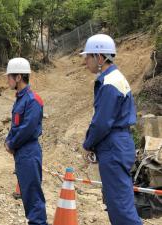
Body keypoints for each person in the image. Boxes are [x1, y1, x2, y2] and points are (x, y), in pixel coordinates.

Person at [81, 34, 142, 225]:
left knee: (121, 209)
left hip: (113, 146)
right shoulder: (114, 78)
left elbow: (102, 122)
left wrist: (88, 144)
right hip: (117, 144)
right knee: (117, 203)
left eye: (88, 56)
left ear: (100, 57)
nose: (85, 62)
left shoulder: (110, 82)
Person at [5, 57, 48, 225]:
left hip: (29, 152)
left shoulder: (33, 100)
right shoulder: (21, 99)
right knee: (28, 194)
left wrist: (11, 144)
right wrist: (8, 140)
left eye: (9, 76)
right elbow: (15, 126)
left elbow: (28, 129)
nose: (7, 79)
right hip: (22, 153)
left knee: (32, 194)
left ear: (19, 77)